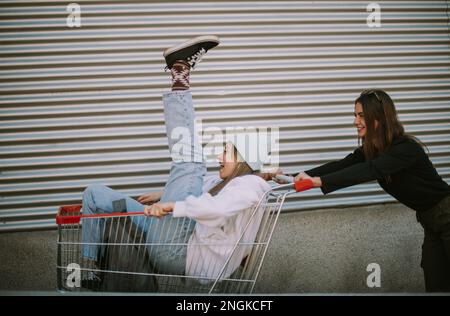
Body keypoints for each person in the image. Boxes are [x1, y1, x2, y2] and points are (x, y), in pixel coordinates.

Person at [80, 35, 272, 290]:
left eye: (226, 152)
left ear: (243, 161)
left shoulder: (249, 185)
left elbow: (217, 209)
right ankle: (89, 269)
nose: (219, 158)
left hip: (178, 252)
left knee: (190, 163)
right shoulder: (232, 183)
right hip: (170, 240)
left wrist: (171, 206)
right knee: (95, 195)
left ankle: (180, 71)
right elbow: (203, 187)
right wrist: (161, 195)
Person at [280, 89, 450, 292]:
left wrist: (318, 182)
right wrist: (295, 177)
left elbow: (370, 170)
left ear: (379, 117)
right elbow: (343, 165)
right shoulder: (373, 150)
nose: (355, 121)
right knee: (436, 282)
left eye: (361, 116)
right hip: (431, 222)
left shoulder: (405, 149)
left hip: (446, 214)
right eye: (355, 115)